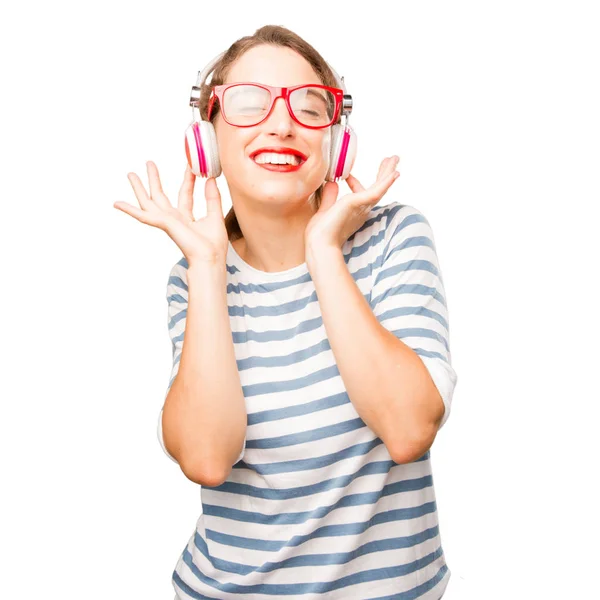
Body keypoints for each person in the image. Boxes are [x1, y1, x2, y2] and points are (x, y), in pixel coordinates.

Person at [114, 24, 458, 600]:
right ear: (207, 139)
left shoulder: (394, 237)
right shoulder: (193, 278)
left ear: (336, 140)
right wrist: (204, 266)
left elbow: (407, 430)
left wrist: (324, 251)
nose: (280, 123)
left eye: (309, 105)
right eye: (249, 103)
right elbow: (206, 457)